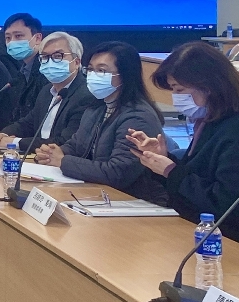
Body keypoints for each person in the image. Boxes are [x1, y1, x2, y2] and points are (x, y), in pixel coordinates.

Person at [130, 41, 239, 253]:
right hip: (202, 235)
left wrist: (170, 170)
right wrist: (163, 159)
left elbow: (228, 206)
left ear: (209, 86)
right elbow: (196, 176)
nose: (176, 98)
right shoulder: (209, 122)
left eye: (180, 89)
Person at [35, 41, 168, 205]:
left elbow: (117, 173)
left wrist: (63, 161)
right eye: (90, 69)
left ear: (125, 75)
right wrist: (53, 153)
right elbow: (77, 145)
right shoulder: (96, 107)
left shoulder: (138, 117)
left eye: (101, 70)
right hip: (97, 193)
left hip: (132, 200)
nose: (93, 75)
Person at [0, 32, 96, 152]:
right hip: (38, 156)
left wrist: (15, 142)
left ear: (76, 62)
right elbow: (28, 123)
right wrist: (3, 134)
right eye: (45, 57)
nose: (50, 62)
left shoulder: (85, 95)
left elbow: (65, 141)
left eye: (57, 56)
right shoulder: (46, 91)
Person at [1, 13, 47, 122]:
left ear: (37, 38)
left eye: (18, 36)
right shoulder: (22, 72)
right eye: (8, 38)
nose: (12, 42)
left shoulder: (46, 70)